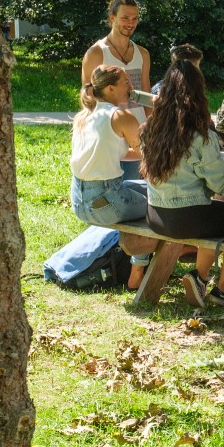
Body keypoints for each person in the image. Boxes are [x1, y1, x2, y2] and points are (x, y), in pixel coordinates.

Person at [140, 60, 224, 308]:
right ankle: (222, 289)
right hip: (187, 218)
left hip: (155, 215)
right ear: (199, 93)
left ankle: (200, 278)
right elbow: (223, 185)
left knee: (216, 213)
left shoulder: (149, 130)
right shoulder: (200, 136)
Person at [70, 64, 156, 289]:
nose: (131, 87)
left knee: (138, 187)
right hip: (107, 203)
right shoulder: (120, 116)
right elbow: (149, 153)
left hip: (79, 201)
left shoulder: (84, 115)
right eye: (125, 82)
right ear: (110, 89)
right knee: (159, 205)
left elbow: (116, 153)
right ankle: (138, 271)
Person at [81, 0, 152, 125]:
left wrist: (151, 127)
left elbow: (146, 96)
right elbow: (88, 99)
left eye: (135, 18)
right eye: (125, 18)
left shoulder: (143, 54)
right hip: (109, 128)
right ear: (112, 17)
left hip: (140, 128)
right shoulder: (96, 53)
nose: (131, 23)